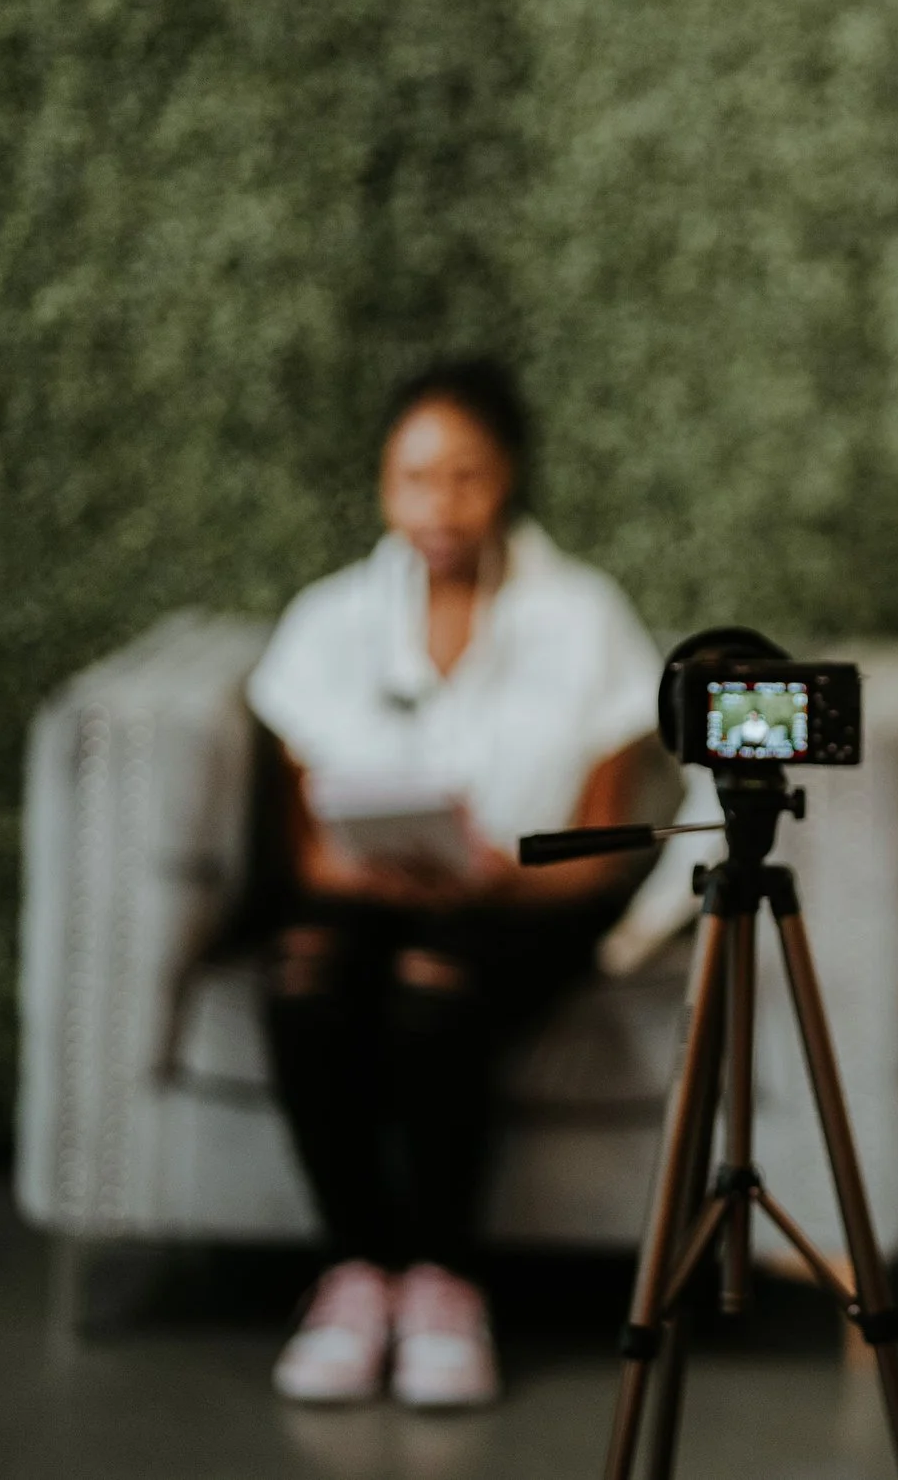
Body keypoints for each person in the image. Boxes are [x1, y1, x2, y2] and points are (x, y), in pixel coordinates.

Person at [245, 357, 680, 1409]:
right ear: (381, 485)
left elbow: (603, 841)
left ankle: (443, 1283)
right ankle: (358, 1275)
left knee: (433, 986)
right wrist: (378, 869)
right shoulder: (327, 619)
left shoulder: (584, 617)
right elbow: (305, 853)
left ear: (508, 479)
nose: (437, 506)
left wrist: (490, 881)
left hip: (527, 906)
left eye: (464, 477)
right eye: (413, 478)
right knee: (304, 969)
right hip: (366, 898)